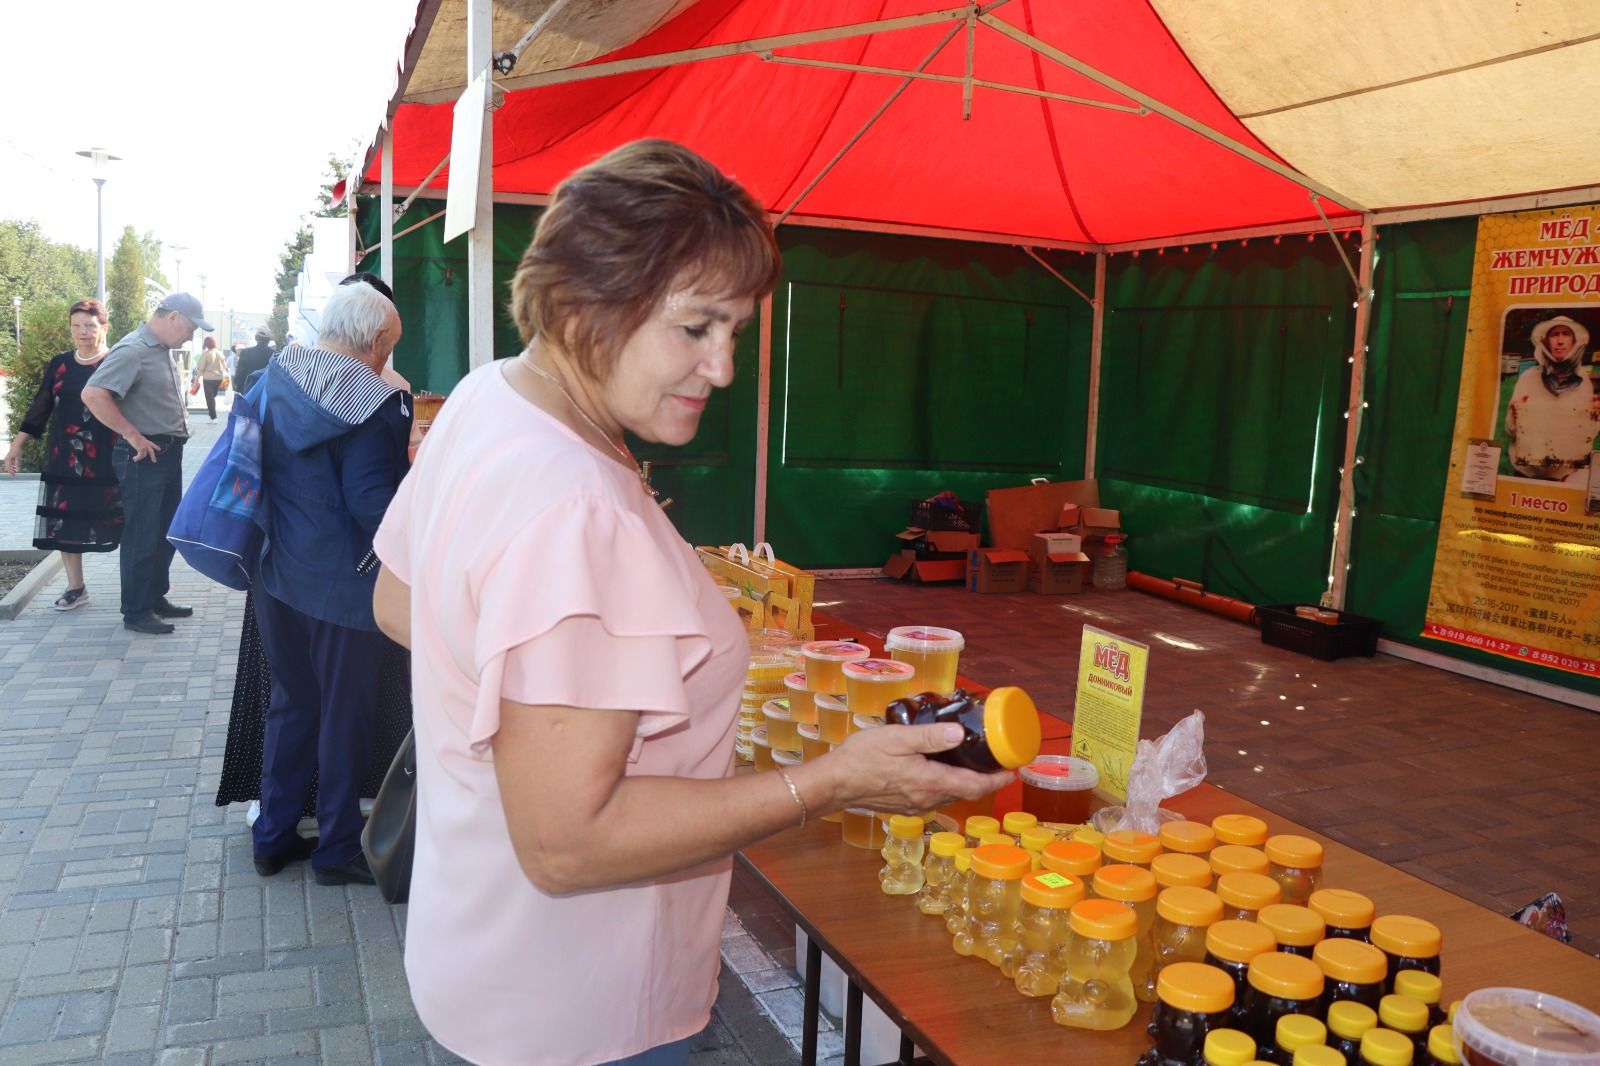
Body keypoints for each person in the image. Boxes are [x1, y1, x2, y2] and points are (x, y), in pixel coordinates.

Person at [370, 139, 1006, 1065]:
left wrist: (554, 687)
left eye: (737, 332)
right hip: (580, 1006)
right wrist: (828, 784)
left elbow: (401, 601)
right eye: (697, 328)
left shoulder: (485, 398)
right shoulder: (576, 505)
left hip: (480, 945)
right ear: (589, 297)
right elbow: (567, 846)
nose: (724, 369)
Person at [216, 273, 413, 828]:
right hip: (346, 587)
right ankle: (337, 845)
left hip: (276, 573)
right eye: (389, 347)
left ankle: (273, 835)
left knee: (292, 704)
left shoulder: (274, 376)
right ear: (377, 343)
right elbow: (372, 502)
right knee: (344, 718)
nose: (387, 357)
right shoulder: (377, 403)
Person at [82, 292, 208, 635]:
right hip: (144, 456)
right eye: (191, 328)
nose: (191, 336)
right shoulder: (134, 348)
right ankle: (136, 611)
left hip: (165, 453)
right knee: (142, 534)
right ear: (173, 318)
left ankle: (154, 597)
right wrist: (133, 436)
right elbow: (93, 395)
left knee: (165, 532)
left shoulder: (158, 349)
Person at [3, 298, 123, 609]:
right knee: (65, 521)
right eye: (76, 326)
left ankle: (138, 590)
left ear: (104, 328)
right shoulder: (60, 363)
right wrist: (17, 445)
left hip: (107, 457)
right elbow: (41, 406)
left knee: (122, 520)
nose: (83, 332)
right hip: (65, 456)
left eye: (90, 326)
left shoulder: (115, 362)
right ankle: (76, 587)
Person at [1504, 315, 1600, 479]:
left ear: (1574, 341)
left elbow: (1587, 436)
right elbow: (1510, 431)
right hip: (1526, 476)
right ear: (1546, 341)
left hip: (1565, 477)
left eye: (1566, 334)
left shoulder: (1583, 382)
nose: (1560, 341)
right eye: (1554, 335)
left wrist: (1595, 418)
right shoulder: (1528, 378)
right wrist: (1514, 415)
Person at [193, 335, 228, 420]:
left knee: (209, 398)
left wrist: (197, 379)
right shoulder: (220, 353)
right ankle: (212, 415)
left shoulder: (206, 354)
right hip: (219, 378)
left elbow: (200, 367)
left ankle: (213, 417)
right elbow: (225, 367)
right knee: (213, 397)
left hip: (208, 379)